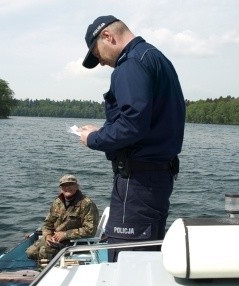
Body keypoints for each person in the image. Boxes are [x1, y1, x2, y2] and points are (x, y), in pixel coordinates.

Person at [79, 15, 186, 262]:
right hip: (156, 178)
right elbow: (143, 119)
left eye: (97, 54)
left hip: (138, 182)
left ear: (108, 36)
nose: (102, 63)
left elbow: (132, 124)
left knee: (128, 259)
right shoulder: (155, 58)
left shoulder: (130, 64)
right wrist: (104, 131)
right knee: (145, 254)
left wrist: (94, 138)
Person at [26, 174, 99, 260]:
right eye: (64, 185)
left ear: (77, 186)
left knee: (44, 253)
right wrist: (47, 236)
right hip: (54, 238)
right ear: (61, 188)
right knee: (30, 252)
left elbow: (90, 230)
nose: (67, 188)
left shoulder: (87, 204)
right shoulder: (57, 202)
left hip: (72, 241)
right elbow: (47, 223)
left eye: (70, 184)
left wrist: (65, 235)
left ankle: (45, 270)